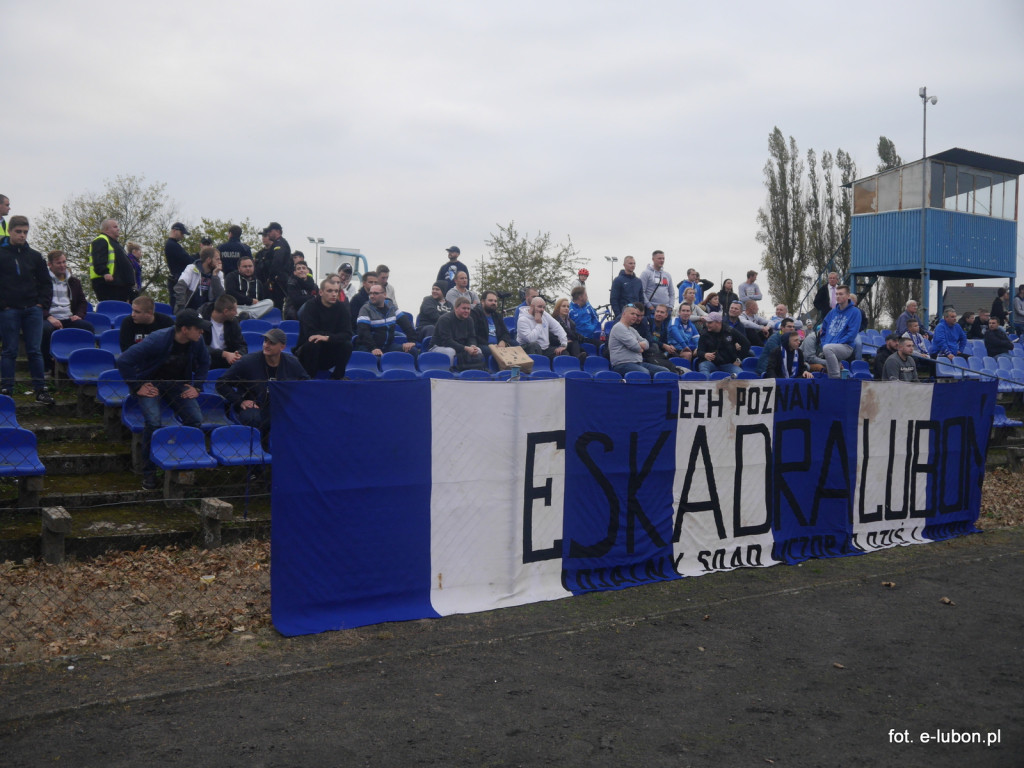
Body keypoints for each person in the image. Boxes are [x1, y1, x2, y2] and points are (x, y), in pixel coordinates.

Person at [116, 309, 210, 490]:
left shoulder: (197, 341)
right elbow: (124, 361)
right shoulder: (157, 340)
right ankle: (148, 472)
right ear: (184, 329)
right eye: (198, 328)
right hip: (151, 384)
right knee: (153, 422)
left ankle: (184, 462)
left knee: (195, 419)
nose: (202, 331)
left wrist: (197, 386)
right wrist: (137, 386)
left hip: (177, 384)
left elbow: (205, 362)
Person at [217, 328, 309, 440]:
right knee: (255, 418)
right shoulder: (247, 361)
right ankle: (262, 446)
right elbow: (221, 383)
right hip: (255, 407)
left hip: (281, 406)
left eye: (272, 343)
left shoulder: (292, 362)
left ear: (282, 347)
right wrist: (240, 401)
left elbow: (307, 385)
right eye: (265, 341)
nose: (266, 345)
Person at [0, 216, 53, 403]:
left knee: (35, 351)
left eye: (25, 232)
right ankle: (6, 390)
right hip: (9, 310)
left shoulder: (35, 256)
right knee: (9, 351)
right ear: (10, 231)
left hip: (32, 309)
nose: (22, 235)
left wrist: (41, 304)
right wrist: (2, 305)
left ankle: (40, 390)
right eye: (18, 232)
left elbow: (46, 283)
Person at [42, 250, 94, 374]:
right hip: (49, 318)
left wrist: (79, 315)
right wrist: (48, 317)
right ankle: (47, 367)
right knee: (45, 330)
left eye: (64, 262)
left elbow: (82, 302)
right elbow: (36, 303)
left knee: (88, 328)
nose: (62, 265)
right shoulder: (42, 281)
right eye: (58, 263)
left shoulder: (74, 282)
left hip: (69, 317)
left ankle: (82, 364)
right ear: (50, 264)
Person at [294, 280, 353, 379]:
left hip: (330, 351)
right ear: (321, 292)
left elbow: (347, 334)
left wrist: (327, 337)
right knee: (314, 342)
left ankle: (337, 378)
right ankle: (308, 378)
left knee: (347, 345)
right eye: (330, 291)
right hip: (308, 353)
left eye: (336, 291)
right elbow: (310, 333)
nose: (334, 294)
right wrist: (327, 337)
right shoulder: (310, 306)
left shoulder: (342, 308)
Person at [356, 283, 418, 358]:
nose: (372, 296)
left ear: (384, 295)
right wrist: (373, 348)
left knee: (412, 351)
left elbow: (405, 323)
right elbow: (363, 331)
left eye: (375, 293)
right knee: (377, 358)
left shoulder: (391, 306)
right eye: (370, 293)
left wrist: (412, 341)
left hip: (388, 347)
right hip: (368, 347)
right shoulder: (365, 309)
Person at [608, 305, 669, 378]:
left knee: (664, 371)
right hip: (622, 364)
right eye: (632, 314)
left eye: (636, 314)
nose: (635, 316)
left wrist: (639, 345)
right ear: (624, 314)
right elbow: (636, 347)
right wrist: (639, 346)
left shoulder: (632, 330)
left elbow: (646, 344)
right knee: (644, 373)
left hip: (638, 363)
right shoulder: (619, 327)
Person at [432, 297, 486, 371]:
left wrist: (472, 345)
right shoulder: (445, 319)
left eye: (468, 309)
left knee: (478, 350)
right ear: (455, 308)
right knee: (450, 351)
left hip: (459, 347)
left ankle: (474, 373)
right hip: (439, 346)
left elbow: (472, 337)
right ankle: (449, 373)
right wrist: (465, 348)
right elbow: (447, 341)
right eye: (464, 308)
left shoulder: (470, 320)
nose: (466, 311)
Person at [820, 285, 862, 378]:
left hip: (846, 346)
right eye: (836, 294)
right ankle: (835, 380)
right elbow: (823, 330)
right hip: (830, 345)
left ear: (848, 296)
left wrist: (834, 343)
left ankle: (836, 378)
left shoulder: (855, 312)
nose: (838, 296)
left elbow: (852, 334)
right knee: (828, 350)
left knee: (828, 349)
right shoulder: (832, 312)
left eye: (841, 294)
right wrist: (823, 343)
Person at [90, 218, 136, 302]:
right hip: (108, 285)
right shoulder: (101, 240)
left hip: (120, 285)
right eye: (115, 227)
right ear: (107, 229)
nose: (118, 229)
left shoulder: (114, 243)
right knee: (113, 307)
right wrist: (105, 272)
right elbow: (98, 259)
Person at [201, 294, 247, 369]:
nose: (236, 313)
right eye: (234, 310)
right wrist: (224, 354)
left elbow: (242, 345)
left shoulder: (233, 322)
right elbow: (200, 347)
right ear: (225, 311)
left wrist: (238, 354)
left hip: (227, 360)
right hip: (206, 358)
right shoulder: (202, 321)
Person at [174, 246, 224, 313]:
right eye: (217, 259)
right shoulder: (192, 268)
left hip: (207, 312)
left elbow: (221, 296)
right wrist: (181, 308)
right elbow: (179, 287)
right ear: (209, 260)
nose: (220, 262)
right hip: (188, 309)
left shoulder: (218, 273)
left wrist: (215, 276)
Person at [695, 311, 748, 376]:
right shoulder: (704, 334)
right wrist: (704, 354)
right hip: (710, 363)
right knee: (703, 366)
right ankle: (707, 382)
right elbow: (699, 351)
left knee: (740, 373)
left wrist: (739, 360)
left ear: (718, 323)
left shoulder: (729, 331)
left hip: (728, 364)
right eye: (706, 322)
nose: (707, 324)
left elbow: (746, 343)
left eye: (710, 322)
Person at [265, 222, 292, 309]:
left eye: (270, 230)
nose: (268, 233)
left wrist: (271, 277)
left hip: (278, 281)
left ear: (278, 231)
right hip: (277, 279)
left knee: (276, 304)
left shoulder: (280, 244)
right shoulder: (276, 244)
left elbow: (277, 261)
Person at [639, 250, 673, 315]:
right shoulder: (646, 273)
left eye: (663, 258)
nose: (662, 260)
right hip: (651, 309)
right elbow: (641, 292)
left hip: (666, 309)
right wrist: (650, 306)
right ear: (653, 259)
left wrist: (671, 307)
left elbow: (671, 293)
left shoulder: (667, 275)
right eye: (659, 258)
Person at [164, 222, 192, 299]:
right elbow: (188, 260)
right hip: (177, 280)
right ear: (174, 231)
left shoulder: (173, 244)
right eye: (181, 233)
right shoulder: (172, 245)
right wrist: (200, 255)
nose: (183, 236)